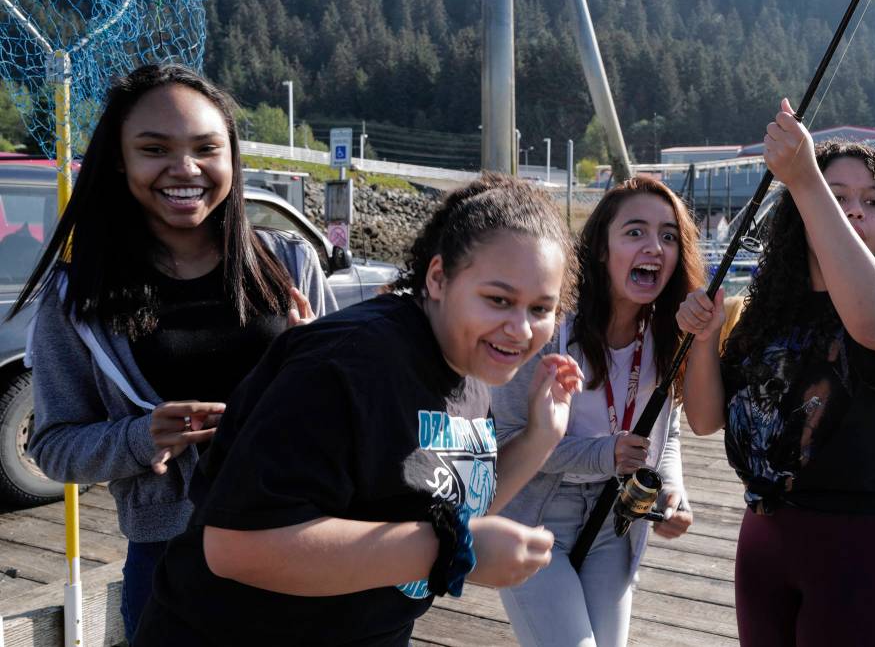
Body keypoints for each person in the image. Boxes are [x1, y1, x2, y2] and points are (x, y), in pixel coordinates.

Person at [134, 174, 584, 646]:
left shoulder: (471, 363)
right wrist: (450, 551)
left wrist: (539, 438)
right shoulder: (348, 363)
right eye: (499, 300)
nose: (519, 328)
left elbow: (450, 502)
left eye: (540, 309)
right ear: (438, 278)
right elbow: (234, 546)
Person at [10, 64, 335, 642]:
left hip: (303, 539)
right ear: (119, 159)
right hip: (170, 559)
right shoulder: (77, 299)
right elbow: (54, 446)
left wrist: (308, 367)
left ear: (231, 158)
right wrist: (143, 437)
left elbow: (353, 413)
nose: (184, 169)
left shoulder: (290, 266)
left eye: (206, 148)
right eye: (154, 148)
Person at [676, 99, 875, 647]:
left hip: (860, 546)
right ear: (796, 218)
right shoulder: (764, 312)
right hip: (763, 539)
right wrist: (706, 340)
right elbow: (706, 419)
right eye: (838, 195)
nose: (854, 210)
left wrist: (808, 182)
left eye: (871, 202)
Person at [494, 176, 705, 647]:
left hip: (618, 521)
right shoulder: (550, 327)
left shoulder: (669, 333)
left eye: (668, 236)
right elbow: (507, 439)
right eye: (635, 232)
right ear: (602, 249)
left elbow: (664, 436)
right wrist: (604, 453)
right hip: (535, 515)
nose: (654, 245)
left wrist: (672, 490)